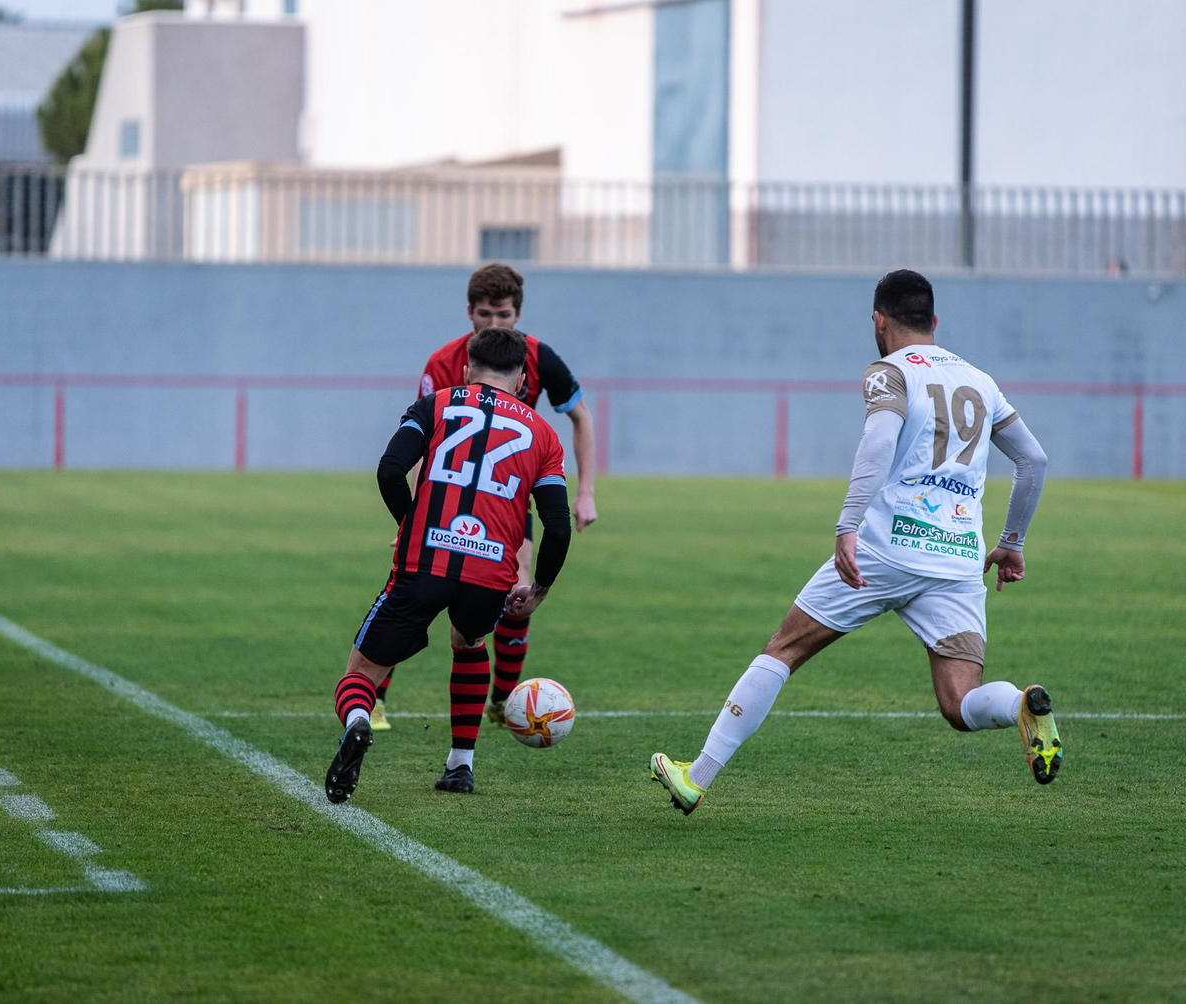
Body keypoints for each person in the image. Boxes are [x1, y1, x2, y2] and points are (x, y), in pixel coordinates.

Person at [648, 269, 1058, 816]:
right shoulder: (982, 381)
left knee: (784, 649)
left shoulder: (889, 371)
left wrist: (847, 525)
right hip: (958, 558)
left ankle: (695, 777)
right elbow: (1034, 460)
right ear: (934, 321)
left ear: (878, 320)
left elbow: (878, 441)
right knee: (960, 703)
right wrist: (1011, 541)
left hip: (888, 548)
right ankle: (1020, 705)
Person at [326, 327, 573, 802]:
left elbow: (389, 470)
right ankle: (460, 766)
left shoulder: (436, 403)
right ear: (522, 379)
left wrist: (410, 521)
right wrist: (539, 588)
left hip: (424, 563)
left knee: (361, 671)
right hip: (490, 576)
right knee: (469, 641)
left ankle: (359, 721)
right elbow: (557, 527)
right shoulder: (543, 434)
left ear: (466, 369)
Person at [370, 262, 597, 731]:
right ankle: (377, 698)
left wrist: (587, 493)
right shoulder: (442, 363)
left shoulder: (538, 357)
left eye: (504, 314)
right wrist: (408, 521)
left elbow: (581, 417)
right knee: (408, 590)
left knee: (517, 586)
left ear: (518, 314)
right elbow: (419, 445)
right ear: (470, 312)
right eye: (486, 314)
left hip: (507, 495)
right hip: (445, 495)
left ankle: (502, 699)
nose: (495, 324)